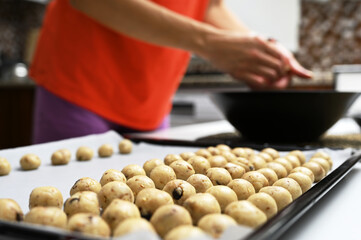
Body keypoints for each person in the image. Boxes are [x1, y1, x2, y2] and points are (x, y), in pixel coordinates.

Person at [30, 0, 312, 144]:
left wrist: (261, 51)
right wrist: (210, 43)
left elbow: (209, 5)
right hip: (80, 84)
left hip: (153, 94)